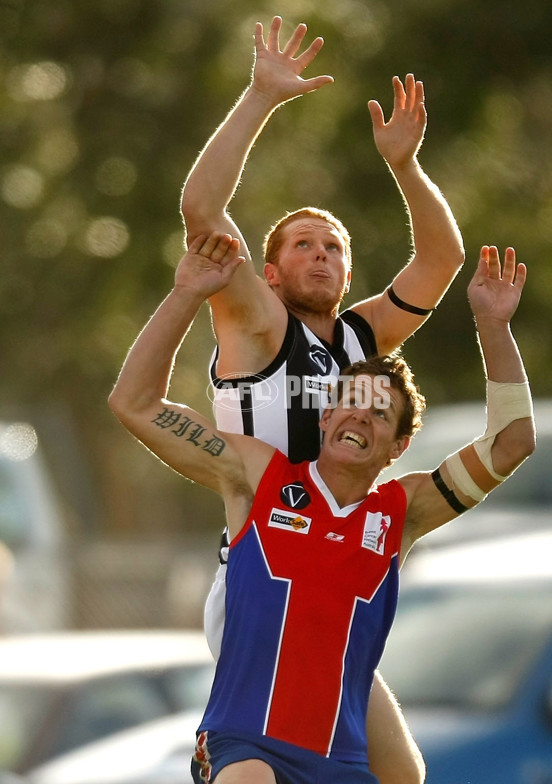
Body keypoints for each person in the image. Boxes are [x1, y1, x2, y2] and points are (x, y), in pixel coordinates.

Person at [108, 232, 535, 784]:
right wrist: (185, 295)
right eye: (350, 402)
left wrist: (493, 327)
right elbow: (134, 403)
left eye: (380, 414)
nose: (360, 416)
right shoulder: (259, 478)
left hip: (341, 765)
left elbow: (513, 443)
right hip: (243, 746)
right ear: (326, 416)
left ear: (398, 447)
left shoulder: (400, 512)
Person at [180, 18, 465, 782]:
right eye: (302, 242)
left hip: (327, 582)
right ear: (269, 273)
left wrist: (405, 166)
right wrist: (259, 97)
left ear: (347, 271)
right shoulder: (258, 323)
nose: (321, 252)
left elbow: (442, 260)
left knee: (401, 773)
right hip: (261, 582)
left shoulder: (359, 343)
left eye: (333, 245)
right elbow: (204, 214)